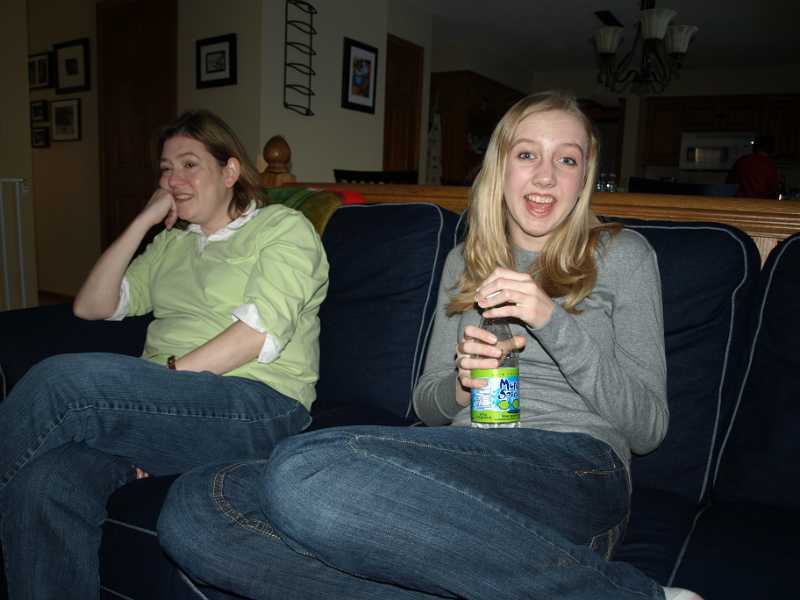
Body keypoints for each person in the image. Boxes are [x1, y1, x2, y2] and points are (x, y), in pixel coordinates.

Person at [157, 92, 702, 600]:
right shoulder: (466, 262)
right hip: (464, 464)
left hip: (575, 470)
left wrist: (551, 319)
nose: (544, 176)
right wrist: (463, 386)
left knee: (306, 473)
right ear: (500, 166)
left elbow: (648, 428)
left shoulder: (622, 255)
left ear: (584, 176)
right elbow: (428, 404)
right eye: (527, 154)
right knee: (201, 504)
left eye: (566, 159)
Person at [0, 110, 329, 599]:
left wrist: (157, 389)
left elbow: (255, 336)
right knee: (46, 484)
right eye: (166, 168)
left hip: (258, 405)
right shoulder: (173, 244)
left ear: (230, 171)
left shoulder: (282, 228)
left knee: (63, 381)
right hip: (170, 405)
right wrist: (143, 222)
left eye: (190, 164)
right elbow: (92, 305)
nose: (173, 180)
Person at [727, 135, 779, 199]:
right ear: (770, 148)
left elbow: (729, 184)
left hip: (741, 201)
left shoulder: (742, 161)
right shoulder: (769, 165)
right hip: (762, 202)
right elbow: (773, 189)